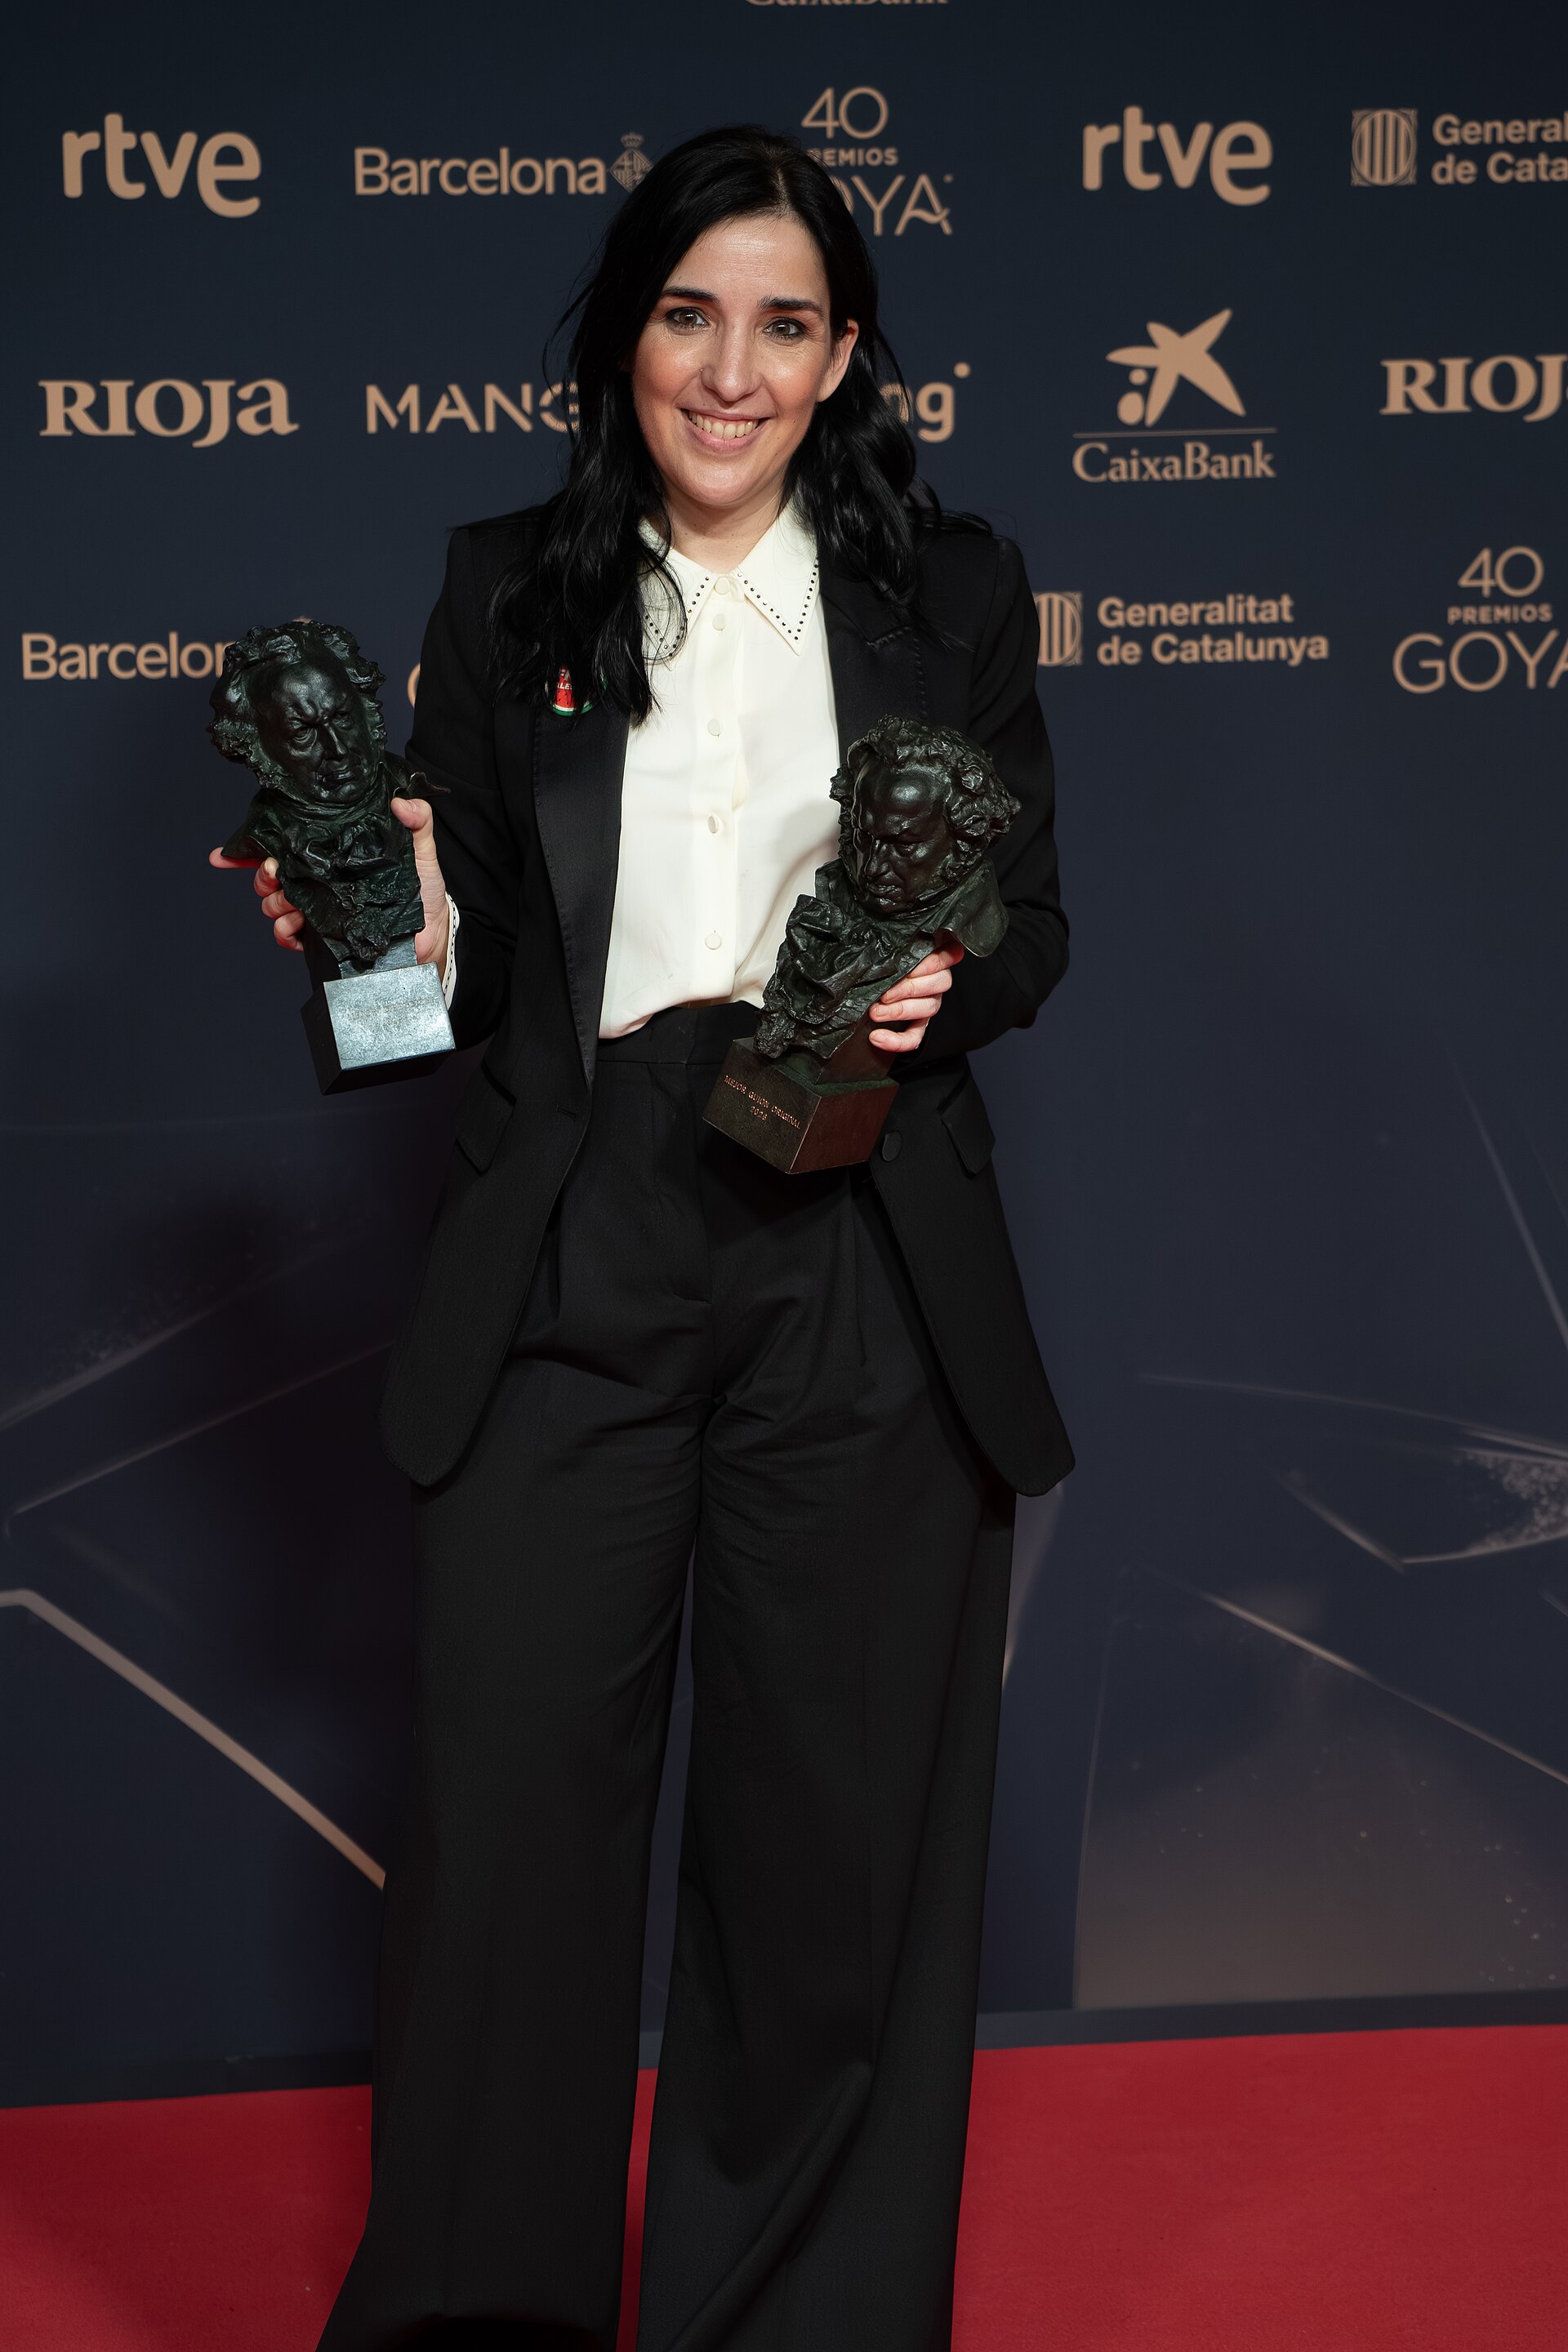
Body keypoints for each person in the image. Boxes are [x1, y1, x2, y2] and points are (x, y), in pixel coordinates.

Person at [217, 123, 1071, 2352]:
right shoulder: (510, 589)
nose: (732, 369)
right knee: (509, 1852)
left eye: (785, 324)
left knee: (827, 1859)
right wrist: (382, 938)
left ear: (844, 355)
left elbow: (1032, 924)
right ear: (625, 338)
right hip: (576, 1231)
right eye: (690, 314)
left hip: (858, 1241)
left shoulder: (953, 590)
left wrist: (947, 981)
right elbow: (448, 990)